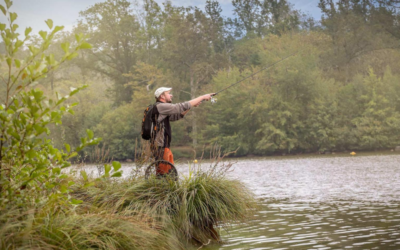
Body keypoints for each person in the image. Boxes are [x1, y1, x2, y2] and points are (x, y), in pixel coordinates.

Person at [150, 87, 214, 175]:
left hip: (164, 146)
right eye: (168, 93)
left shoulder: (162, 109)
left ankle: (167, 188)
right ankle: (161, 188)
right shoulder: (161, 106)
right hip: (160, 146)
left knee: (170, 173)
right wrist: (202, 97)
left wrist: (191, 106)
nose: (171, 95)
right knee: (163, 174)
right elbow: (180, 107)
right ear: (162, 96)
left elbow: (177, 116)